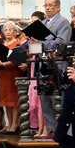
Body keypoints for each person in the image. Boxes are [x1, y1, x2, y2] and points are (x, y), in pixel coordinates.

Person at [37, 0, 72, 133]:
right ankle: (51, 129)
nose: (47, 8)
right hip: (43, 63)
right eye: (45, 5)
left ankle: (60, 129)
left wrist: (41, 43)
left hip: (57, 64)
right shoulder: (43, 22)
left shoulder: (63, 22)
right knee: (44, 98)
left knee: (56, 97)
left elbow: (61, 42)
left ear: (58, 7)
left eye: (51, 5)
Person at [0, 22, 28, 134]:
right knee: (5, 100)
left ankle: (14, 124)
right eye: (6, 30)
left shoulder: (18, 44)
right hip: (3, 73)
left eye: (10, 30)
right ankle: (9, 124)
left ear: (15, 32)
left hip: (14, 73)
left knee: (14, 100)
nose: (8, 32)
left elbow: (18, 59)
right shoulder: (2, 44)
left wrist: (4, 63)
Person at [26, 11, 50, 139]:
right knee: (35, 99)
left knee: (43, 101)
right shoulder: (34, 37)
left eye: (35, 22)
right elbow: (33, 53)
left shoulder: (47, 35)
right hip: (36, 66)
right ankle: (39, 127)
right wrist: (32, 45)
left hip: (45, 66)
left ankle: (45, 127)